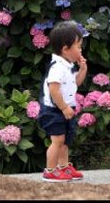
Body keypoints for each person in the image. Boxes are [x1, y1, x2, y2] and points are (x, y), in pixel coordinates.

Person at [37, 20, 88, 182]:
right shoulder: (57, 67)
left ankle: (63, 167)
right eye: (78, 46)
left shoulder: (67, 66)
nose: (81, 50)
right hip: (54, 110)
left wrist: (83, 70)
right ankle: (50, 170)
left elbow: (76, 83)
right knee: (57, 140)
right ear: (66, 49)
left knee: (65, 140)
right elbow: (54, 90)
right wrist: (65, 107)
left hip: (65, 108)